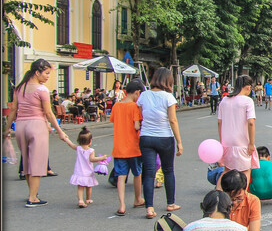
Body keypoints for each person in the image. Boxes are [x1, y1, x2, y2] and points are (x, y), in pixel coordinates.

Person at [3, 59, 69, 207]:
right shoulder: (42, 90)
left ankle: (32, 193)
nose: (47, 77)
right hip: (36, 125)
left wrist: (7, 129)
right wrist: (60, 131)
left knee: (26, 162)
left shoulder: (19, 88)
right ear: (37, 72)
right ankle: (33, 198)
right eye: (46, 73)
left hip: (20, 125)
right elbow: (49, 113)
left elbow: (13, 110)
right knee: (37, 163)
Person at [137, 67, 183, 219]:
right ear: (167, 81)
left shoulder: (143, 95)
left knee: (149, 173)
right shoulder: (168, 97)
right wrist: (179, 142)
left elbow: (140, 114)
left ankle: (149, 207)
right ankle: (171, 203)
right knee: (168, 170)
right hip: (164, 137)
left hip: (146, 137)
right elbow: (172, 120)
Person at [110, 79, 146, 215]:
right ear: (137, 92)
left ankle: (122, 205)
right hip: (133, 147)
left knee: (120, 176)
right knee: (137, 174)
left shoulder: (116, 106)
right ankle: (137, 199)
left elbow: (113, 120)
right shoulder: (134, 107)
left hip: (119, 147)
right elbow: (137, 125)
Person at [217, 75, 259, 188]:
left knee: (226, 170)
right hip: (242, 142)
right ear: (248, 87)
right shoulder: (247, 101)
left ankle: (217, 198)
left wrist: (222, 141)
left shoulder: (224, 100)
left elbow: (219, 122)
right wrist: (251, 143)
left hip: (226, 142)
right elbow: (251, 123)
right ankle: (242, 199)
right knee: (245, 171)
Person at [59, 126, 107, 208]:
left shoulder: (78, 148)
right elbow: (92, 159)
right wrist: (102, 158)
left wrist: (66, 138)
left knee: (80, 187)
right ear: (90, 141)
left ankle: (80, 200)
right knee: (89, 186)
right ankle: (88, 199)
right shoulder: (91, 150)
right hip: (88, 171)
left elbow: (71, 144)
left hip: (79, 171)